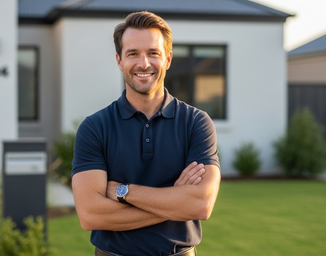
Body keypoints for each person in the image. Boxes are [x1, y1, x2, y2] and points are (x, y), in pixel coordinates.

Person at [71, 11, 221, 256]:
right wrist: (175, 201)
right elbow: (90, 214)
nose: (143, 63)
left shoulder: (196, 123)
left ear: (168, 59)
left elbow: (200, 204)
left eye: (153, 53)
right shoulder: (94, 127)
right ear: (119, 61)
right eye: (133, 54)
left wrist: (122, 191)